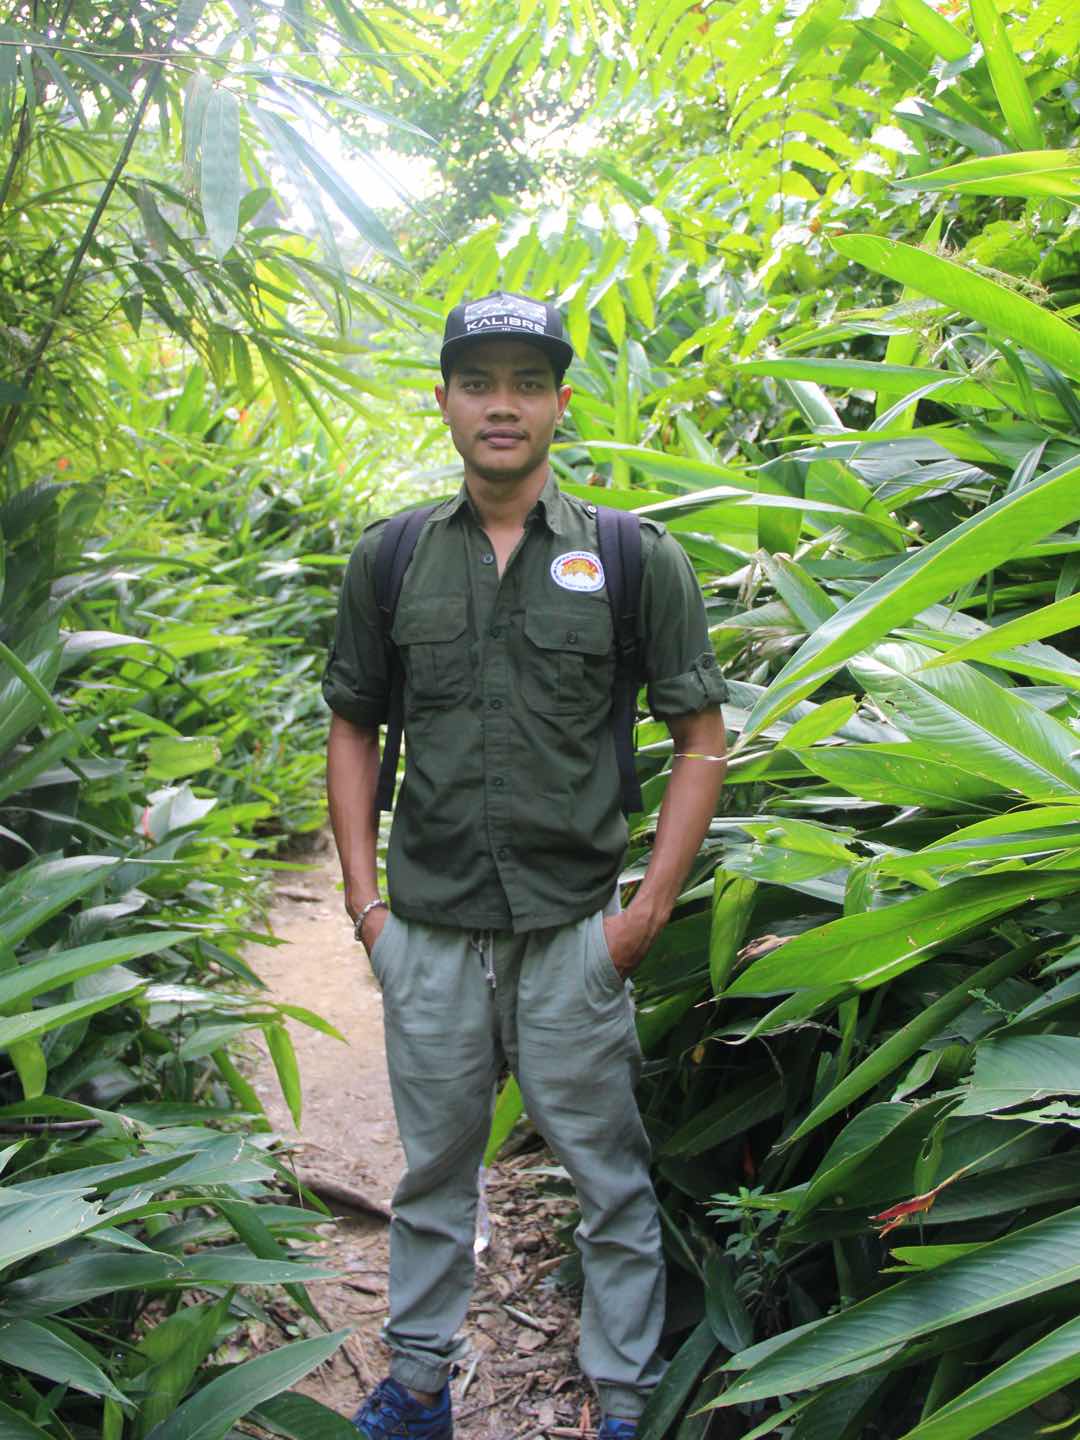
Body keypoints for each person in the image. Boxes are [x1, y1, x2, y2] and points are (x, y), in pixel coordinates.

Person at [323, 291, 728, 1440]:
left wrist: (645, 912)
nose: (502, 406)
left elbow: (701, 738)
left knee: (608, 1179)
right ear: (446, 398)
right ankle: (414, 1389)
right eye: (478, 382)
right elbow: (354, 725)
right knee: (432, 1176)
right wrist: (366, 911)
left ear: (557, 403)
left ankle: (620, 1407)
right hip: (432, 930)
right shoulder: (393, 559)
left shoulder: (633, 558)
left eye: (527, 383)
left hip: (573, 933)